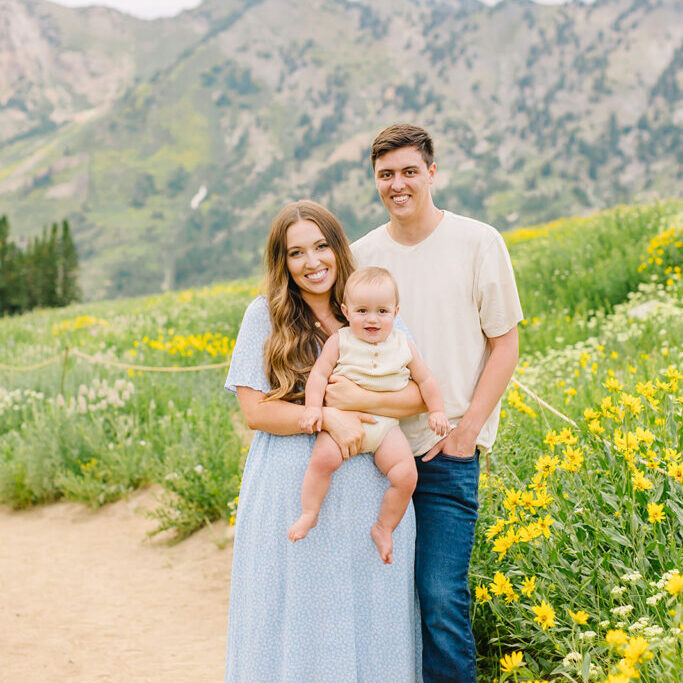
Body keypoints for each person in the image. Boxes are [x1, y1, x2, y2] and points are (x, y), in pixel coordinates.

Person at [325, 125, 523, 682]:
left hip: (445, 454)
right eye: (385, 175)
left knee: (439, 598)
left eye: (409, 171)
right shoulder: (362, 254)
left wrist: (467, 434)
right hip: (372, 456)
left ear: (432, 173)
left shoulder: (478, 242)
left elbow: (504, 346)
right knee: (377, 601)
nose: (398, 184)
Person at [223, 200, 422, 682]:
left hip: (372, 494)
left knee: (374, 610)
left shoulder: (369, 305)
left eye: (320, 246)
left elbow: (418, 393)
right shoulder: (264, 315)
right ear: (282, 262)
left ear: (338, 247)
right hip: (293, 489)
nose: (312, 262)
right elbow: (255, 411)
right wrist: (330, 416)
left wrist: (356, 397)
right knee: (300, 613)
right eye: (296, 253)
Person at [287, 266, 449, 564]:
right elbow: (319, 376)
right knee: (322, 461)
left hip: (386, 429)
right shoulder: (341, 340)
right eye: (362, 311)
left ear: (395, 312)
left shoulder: (403, 344)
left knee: (406, 475)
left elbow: (426, 381)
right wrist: (313, 407)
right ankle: (310, 513)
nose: (372, 319)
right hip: (341, 422)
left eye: (382, 311)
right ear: (346, 311)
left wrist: (437, 410)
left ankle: (384, 527)